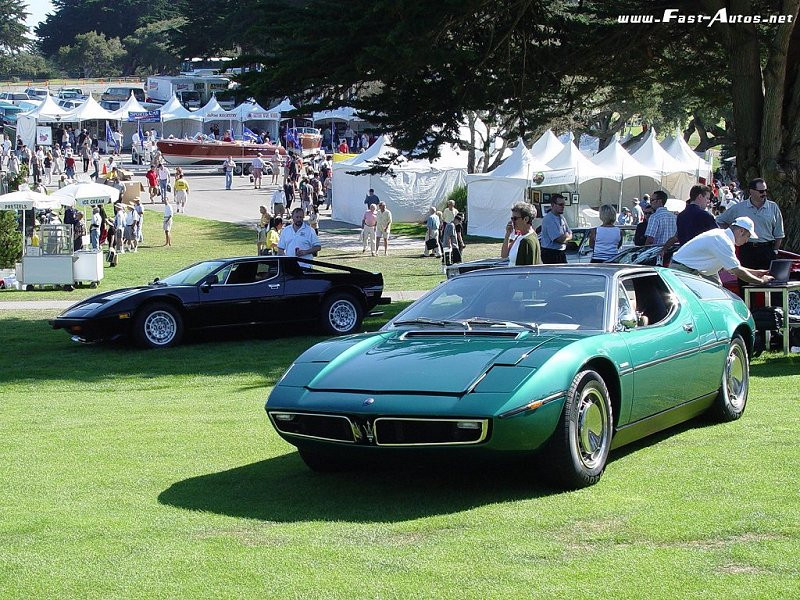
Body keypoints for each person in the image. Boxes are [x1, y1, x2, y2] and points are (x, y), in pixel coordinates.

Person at [670, 217, 773, 286]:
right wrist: (761, 281)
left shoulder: (722, 236)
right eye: (748, 236)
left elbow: (733, 268)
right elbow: (737, 271)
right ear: (741, 231)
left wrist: (756, 273)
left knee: (718, 292)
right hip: (683, 270)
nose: (747, 241)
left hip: (695, 269)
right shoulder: (723, 241)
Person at [715, 177, 785, 272]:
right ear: (751, 191)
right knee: (745, 281)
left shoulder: (773, 207)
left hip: (767, 250)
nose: (764, 194)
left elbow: (779, 233)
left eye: (765, 191)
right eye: (761, 191)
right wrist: (731, 232)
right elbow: (719, 221)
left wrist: (775, 251)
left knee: (767, 283)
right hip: (746, 250)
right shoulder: (739, 208)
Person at [540, 194, 572, 263]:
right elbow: (558, 239)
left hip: (561, 253)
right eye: (560, 204)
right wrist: (566, 236)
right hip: (551, 254)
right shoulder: (549, 219)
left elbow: (570, 233)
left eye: (564, 204)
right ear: (553, 205)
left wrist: (566, 237)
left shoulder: (562, 218)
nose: (563, 207)